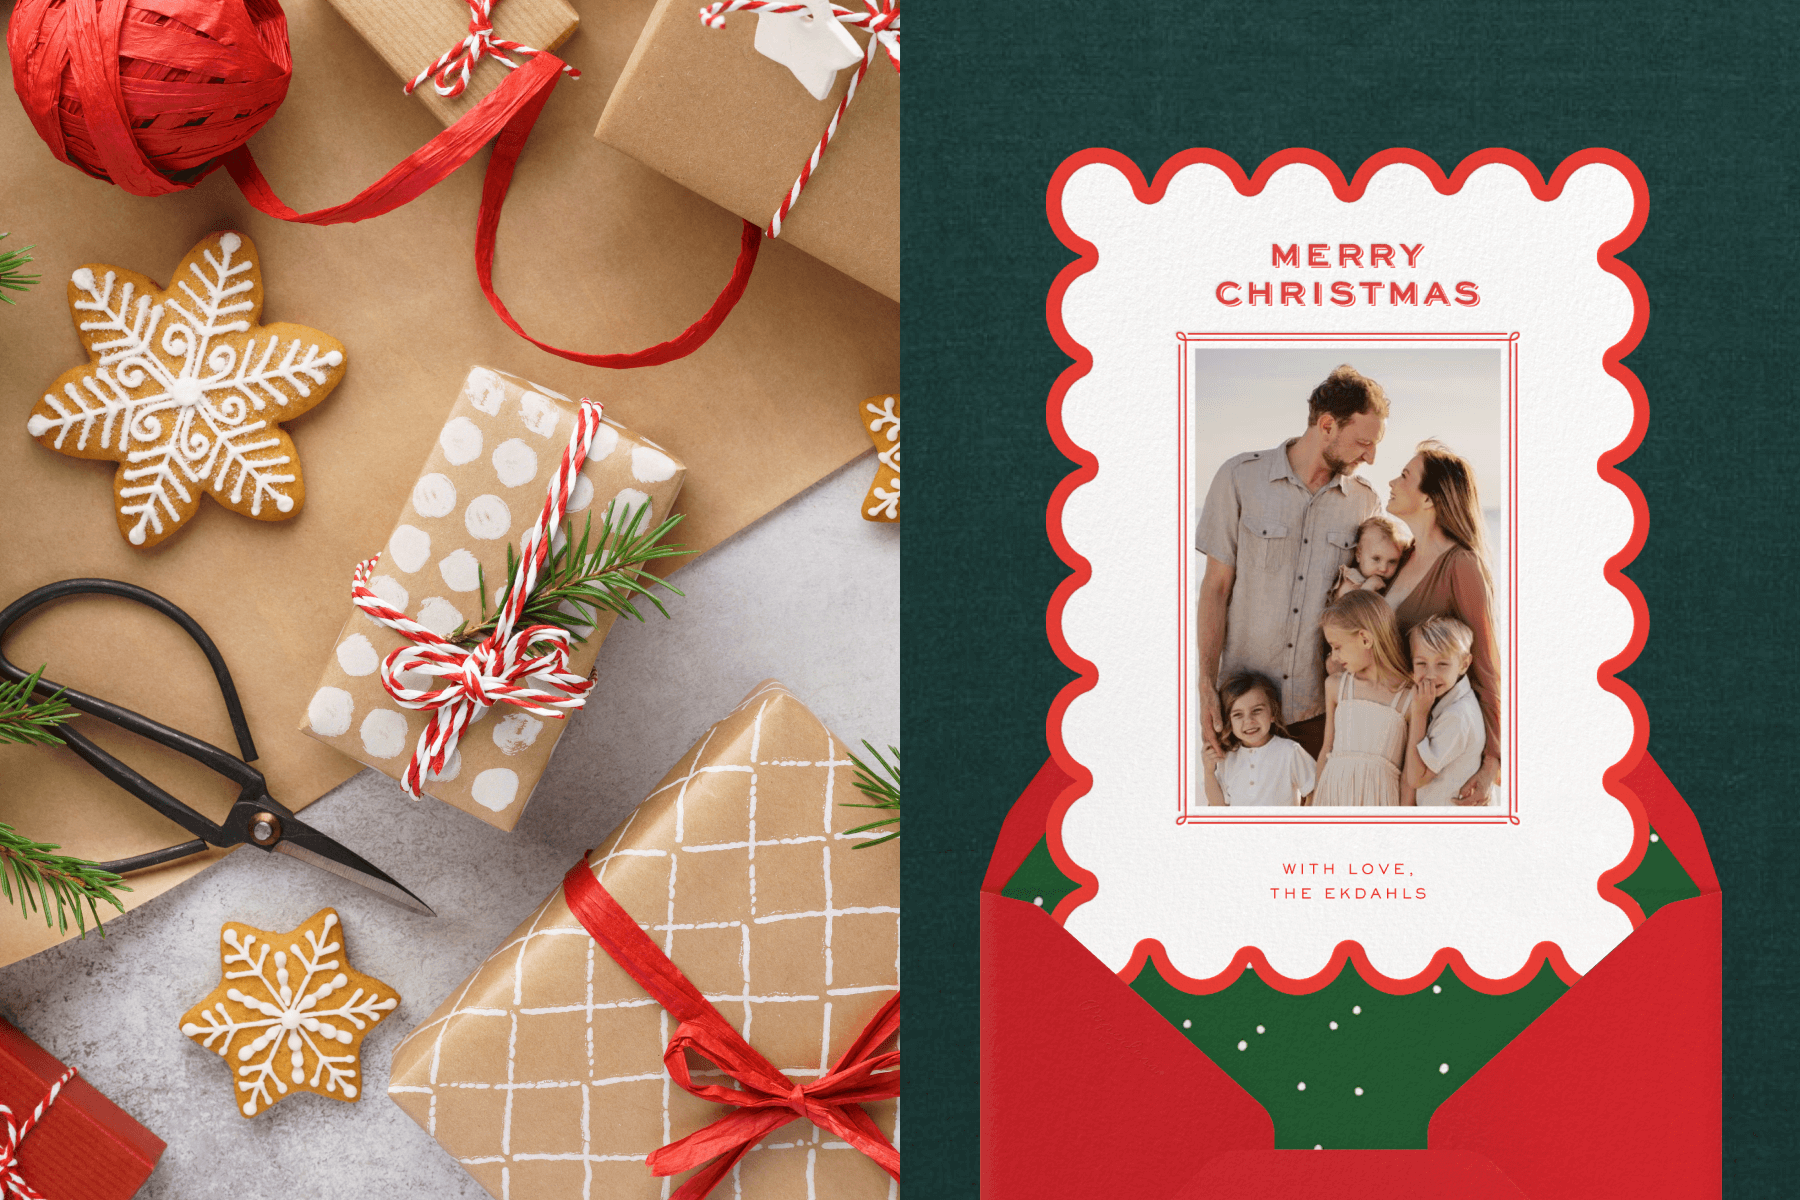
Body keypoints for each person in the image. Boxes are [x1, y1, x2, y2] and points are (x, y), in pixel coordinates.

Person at [1196, 364, 1387, 759]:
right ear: (1328, 425)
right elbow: (1215, 588)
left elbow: (1364, 606)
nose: (1370, 457)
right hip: (1243, 708)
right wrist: (1204, 687)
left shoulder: (1365, 502)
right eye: (1362, 443)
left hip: (1318, 710)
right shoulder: (1239, 478)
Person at [1383, 441, 1501, 804]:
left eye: (1404, 476)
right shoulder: (1399, 556)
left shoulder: (1461, 565)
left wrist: (1492, 763)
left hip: (1431, 744)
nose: (1391, 482)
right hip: (1390, 734)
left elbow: (1484, 665)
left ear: (1429, 499)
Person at [1310, 591, 1414, 807]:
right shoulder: (1336, 687)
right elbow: (1326, 749)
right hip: (1333, 797)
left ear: (1365, 639)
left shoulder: (1408, 698)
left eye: (1337, 647)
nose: (1335, 656)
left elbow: (1409, 774)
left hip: (1379, 801)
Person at [1403, 616, 1487, 806]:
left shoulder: (1457, 716)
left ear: (1464, 664)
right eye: (1421, 664)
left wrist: (1419, 714)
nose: (1431, 675)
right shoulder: (1447, 702)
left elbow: (1416, 778)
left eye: (1442, 664)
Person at [1201, 672, 1316, 806]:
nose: (1249, 721)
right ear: (1229, 722)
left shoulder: (1290, 751)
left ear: (1273, 713)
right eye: (1238, 715)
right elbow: (1219, 807)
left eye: (1256, 710)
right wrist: (1208, 771)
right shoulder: (1228, 758)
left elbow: (1314, 791)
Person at [1329, 514, 1411, 602]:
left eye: (1392, 561)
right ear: (1358, 555)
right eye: (1376, 559)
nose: (1383, 568)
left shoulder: (1389, 583)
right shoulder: (1350, 583)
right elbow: (1347, 612)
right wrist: (1367, 589)